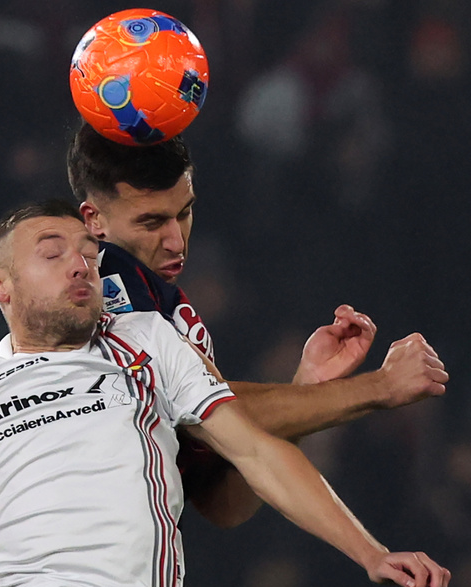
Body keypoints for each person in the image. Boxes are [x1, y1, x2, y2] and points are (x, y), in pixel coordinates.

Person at [0, 200, 451, 587]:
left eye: (89, 255)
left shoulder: (146, 339)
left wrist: (371, 552)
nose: (80, 266)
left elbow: (255, 451)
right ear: (1, 284)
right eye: (53, 253)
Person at [66, 122, 449, 527]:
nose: (176, 241)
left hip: (147, 576)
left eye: (185, 212)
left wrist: (305, 390)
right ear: (94, 221)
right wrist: (380, 387)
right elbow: (213, 411)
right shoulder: (106, 282)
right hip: (80, 571)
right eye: (151, 222)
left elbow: (224, 503)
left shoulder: (164, 302)